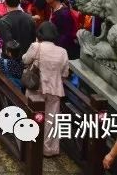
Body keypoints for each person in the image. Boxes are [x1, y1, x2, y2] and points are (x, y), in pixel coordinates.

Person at [22, 22, 69, 157]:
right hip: (55, 89)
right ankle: (49, 149)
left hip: (36, 87)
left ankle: (30, 146)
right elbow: (65, 74)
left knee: (32, 115)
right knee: (51, 120)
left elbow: (25, 60)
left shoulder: (36, 46)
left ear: (40, 34)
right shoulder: (62, 51)